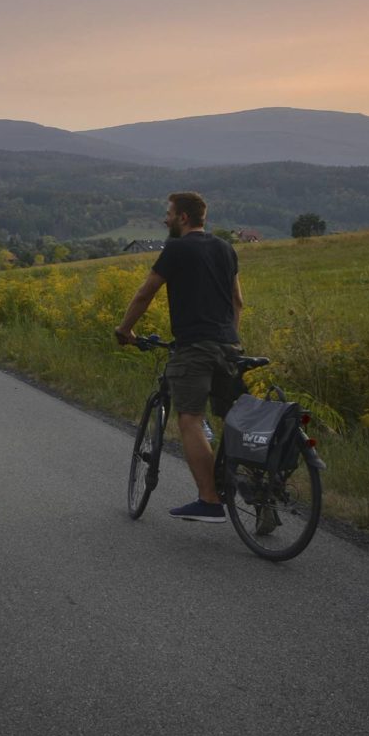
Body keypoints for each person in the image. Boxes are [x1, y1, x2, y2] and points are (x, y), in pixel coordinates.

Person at [114, 192, 243, 522]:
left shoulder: (177, 248)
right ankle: (258, 492)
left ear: (184, 217)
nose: (165, 219)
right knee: (234, 421)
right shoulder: (226, 248)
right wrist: (228, 338)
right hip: (230, 347)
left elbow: (146, 292)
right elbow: (237, 302)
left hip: (194, 348)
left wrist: (125, 329)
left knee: (190, 418)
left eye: (169, 213)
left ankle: (210, 499)